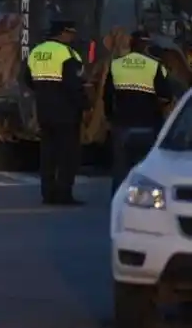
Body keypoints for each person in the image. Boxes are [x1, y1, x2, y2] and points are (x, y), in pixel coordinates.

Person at [21, 20, 89, 205]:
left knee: (48, 154)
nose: (73, 37)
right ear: (62, 33)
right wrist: (85, 105)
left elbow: (27, 78)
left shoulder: (37, 51)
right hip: (66, 112)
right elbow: (73, 85)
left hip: (44, 110)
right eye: (71, 33)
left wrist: (44, 92)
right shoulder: (67, 54)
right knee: (68, 155)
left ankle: (48, 193)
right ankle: (64, 194)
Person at [103, 30, 173, 194]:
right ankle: (142, 200)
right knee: (146, 167)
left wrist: (110, 117)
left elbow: (107, 96)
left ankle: (119, 200)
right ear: (146, 45)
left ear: (131, 44)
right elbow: (166, 96)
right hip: (148, 123)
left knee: (120, 167)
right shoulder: (154, 66)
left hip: (122, 123)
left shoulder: (117, 64)